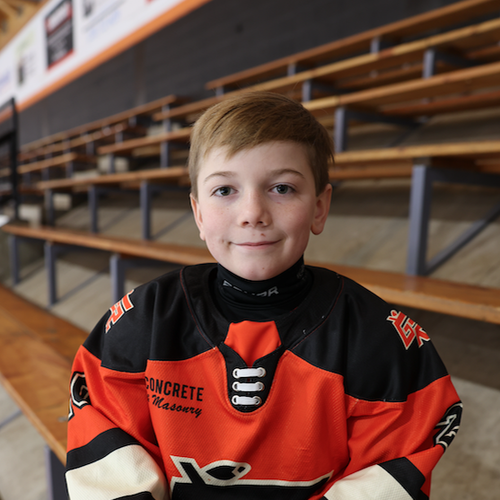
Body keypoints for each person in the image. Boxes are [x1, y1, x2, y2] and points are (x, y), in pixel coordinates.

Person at [65, 91, 462, 500]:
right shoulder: (145, 320)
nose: (253, 212)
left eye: (282, 188)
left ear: (319, 207)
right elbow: (105, 440)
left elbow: (392, 470)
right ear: (198, 213)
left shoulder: (376, 338)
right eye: (225, 190)